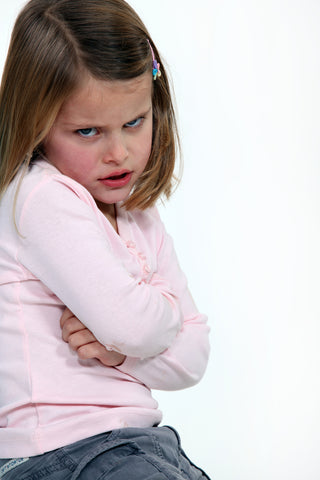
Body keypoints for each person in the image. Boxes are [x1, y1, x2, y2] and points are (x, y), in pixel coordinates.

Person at [0, 0, 211, 478]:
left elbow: (195, 356)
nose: (118, 153)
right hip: (59, 452)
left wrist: (121, 350)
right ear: (36, 123)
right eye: (88, 130)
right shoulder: (39, 197)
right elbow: (139, 327)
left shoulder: (139, 217)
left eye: (134, 122)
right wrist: (154, 319)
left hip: (138, 443)